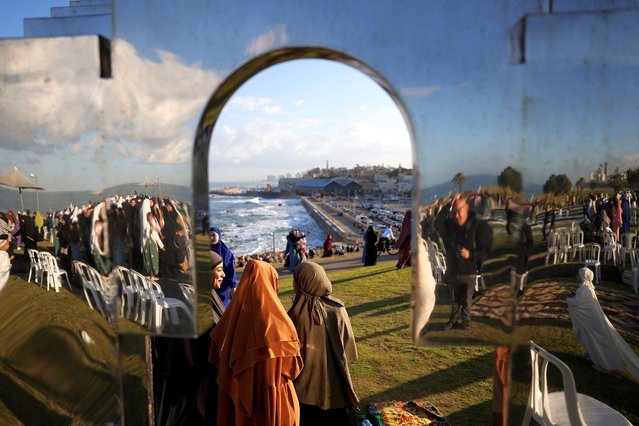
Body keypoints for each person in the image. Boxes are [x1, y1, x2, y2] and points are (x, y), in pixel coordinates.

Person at [209, 259, 303, 426]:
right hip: (273, 399)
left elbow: (219, 361)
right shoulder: (280, 323)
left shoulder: (229, 319)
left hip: (238, 399)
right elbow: (292, 369)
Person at [288, 262, 358, 424]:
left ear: (303, 282)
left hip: (304, 390)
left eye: (295, 280)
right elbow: (348, 347)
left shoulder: (297, 313)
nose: (293, 284)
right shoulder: (337, 308)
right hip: (336, 385)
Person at [567, 267, 639, 380]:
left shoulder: (585, 289)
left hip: (592, 322)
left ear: (582, 276)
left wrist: (567, 300)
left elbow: (577, 302)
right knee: (591, 338)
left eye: (578, 274)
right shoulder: (586, 287)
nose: (576, 276)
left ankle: (607, 365)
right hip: (591, 320)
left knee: (597, 341)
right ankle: (591, 353)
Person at [440, 196, 493, 330]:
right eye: (454, 212)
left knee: (466, 300)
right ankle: (453, 320)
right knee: (454, 300)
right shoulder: (451, 226)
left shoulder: (478, 227)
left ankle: (466, 321)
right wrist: (449, 204)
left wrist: (470, 254)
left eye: (459, 211)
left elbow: (485, 252)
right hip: (454, 270)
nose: (456, 215)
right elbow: (438, 222)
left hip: (469, 272)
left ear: (467, 209)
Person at [210, 226, 238, 307]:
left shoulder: (227, 253)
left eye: (213, 235)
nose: (211, 238)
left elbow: (231, 272)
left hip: (223, 289)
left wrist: (233, 288)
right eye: (209, 236)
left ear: (219, 236)